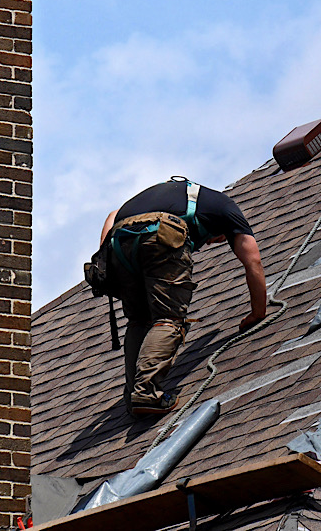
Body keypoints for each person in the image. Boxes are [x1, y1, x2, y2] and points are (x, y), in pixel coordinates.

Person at [99, 177, 266, 416]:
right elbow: (254, 261)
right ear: (224, 230)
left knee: (139, 321)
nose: (208, 243)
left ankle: (132, 396)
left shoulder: (174, 195)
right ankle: (145, 393)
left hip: (119, 242)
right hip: (157, 233)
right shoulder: (228, 208)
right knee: (169, 318)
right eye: (216, 239)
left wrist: (104, 256)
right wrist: (258, 313)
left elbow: (113, 215)